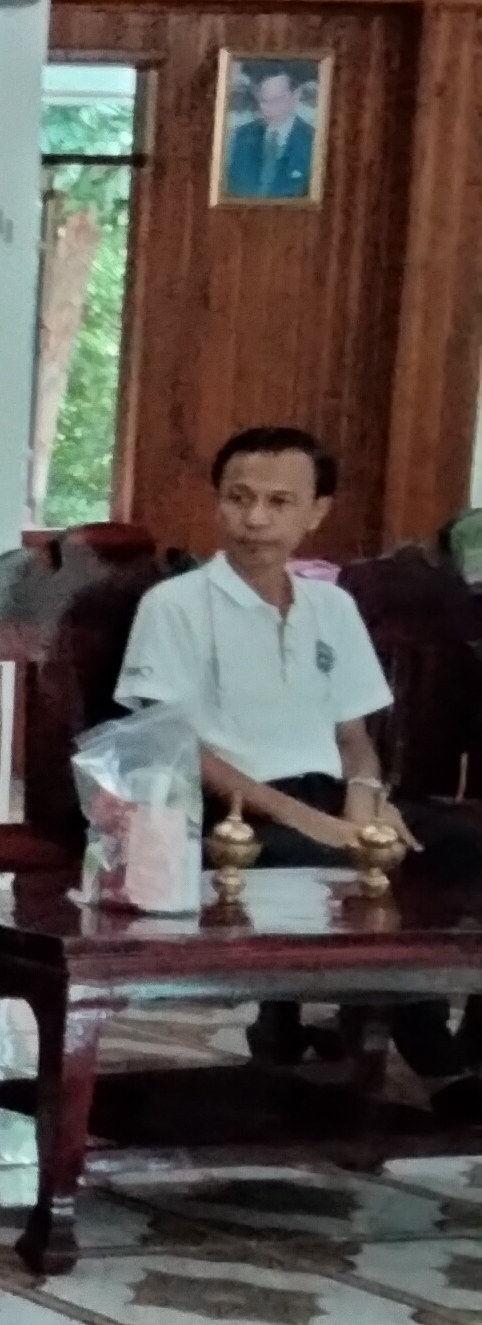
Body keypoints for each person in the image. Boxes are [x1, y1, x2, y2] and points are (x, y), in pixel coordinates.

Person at [114, 426, 477, 1074]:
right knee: (348, 872)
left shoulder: (331, 606)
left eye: (279, 502)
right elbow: (173, 745)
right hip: (233, 815)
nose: (255, 519)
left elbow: (354, 739)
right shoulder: (174, 605)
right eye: (239, 498)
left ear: (316, 512)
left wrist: (365, 801)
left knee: (460, 847)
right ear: (219, 502)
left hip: (332, 797)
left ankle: (472, 1051)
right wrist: (312, 822)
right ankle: (434, 1058)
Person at [224, 66, 319, 202]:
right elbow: (232, 187)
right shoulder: (242, 135)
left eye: (278, 100)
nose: (269, 109)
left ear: (296, 96)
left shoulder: (313, 140)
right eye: (264, 101)